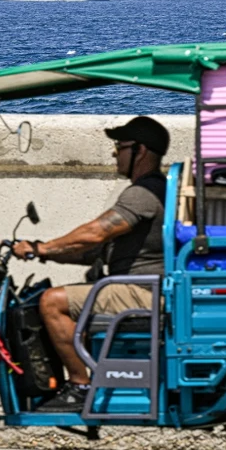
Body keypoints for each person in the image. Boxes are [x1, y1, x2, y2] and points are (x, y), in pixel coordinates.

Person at [12, 116, 169, 412]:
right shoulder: (151, 190)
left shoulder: (144, 193)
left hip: (142, 291)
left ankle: (80, 387)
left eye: (120, 147)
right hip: (138, 286)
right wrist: (44, 253)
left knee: (51, 302)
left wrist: (42, 246)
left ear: (141, 151)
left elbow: (95, 233)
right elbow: (94, 250)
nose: (115, 154)